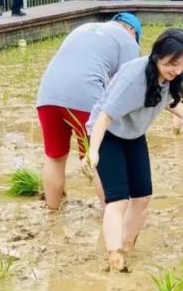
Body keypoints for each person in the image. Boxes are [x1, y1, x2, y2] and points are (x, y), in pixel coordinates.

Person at [87, 29, 183, 272]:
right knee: (117, 200)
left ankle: (126, 247)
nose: (178, 70)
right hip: (107, 133)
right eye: (173, 64)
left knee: (142, 198)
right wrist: (93, 151)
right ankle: (115, 261)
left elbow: (164, 98)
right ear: (157, 55)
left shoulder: (169, 76)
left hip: (133, 134)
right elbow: (104, 116)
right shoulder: (134, 78)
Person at [36, 12, 143, 210]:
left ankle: (52, 214)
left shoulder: (83, 28)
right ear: (132, 31)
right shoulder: (128, 41)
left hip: (47, 95)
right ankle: (110, 214)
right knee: (100, 158)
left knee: (54, 157)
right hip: (85, 96)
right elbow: (129, 83)